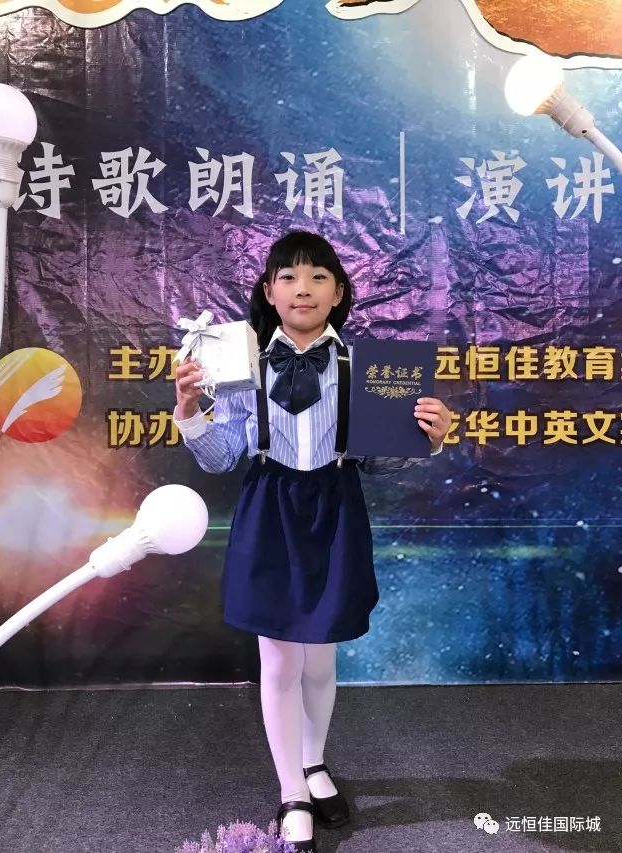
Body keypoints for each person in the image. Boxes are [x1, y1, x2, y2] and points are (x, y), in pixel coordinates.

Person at [173, 231, 452, 852]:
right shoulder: (239, 365)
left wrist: (426, 440)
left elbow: (375, 459)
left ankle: (314, 761)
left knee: (322, 656)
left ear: (339, 292)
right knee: (279, 660)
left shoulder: (366, 369)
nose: (303, 288)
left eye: (318, 277)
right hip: (270, 511)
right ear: (269, 291)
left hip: (335, 508)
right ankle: (292, 790)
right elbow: (222, 457)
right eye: (289, 277)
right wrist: (190, 410)